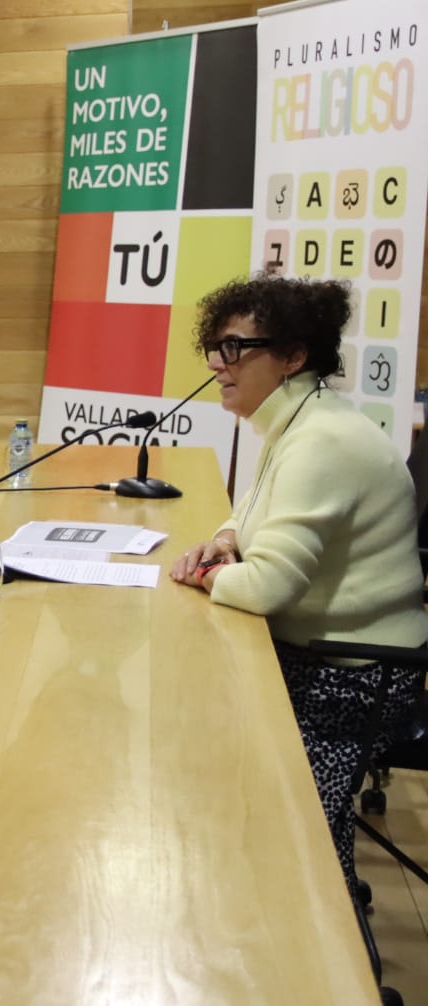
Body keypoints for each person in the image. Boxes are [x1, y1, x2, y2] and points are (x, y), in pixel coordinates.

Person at [170, 275, 428, 891]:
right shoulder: (299, 421)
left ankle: (321, 925)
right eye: (215, 347)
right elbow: (255, 509)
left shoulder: (322, 443)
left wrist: (205, 573)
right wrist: (227, 541)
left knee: (273, 813)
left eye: (235, 348)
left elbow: (267, 589)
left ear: (292, 356)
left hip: (357, 678)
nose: (217, 364)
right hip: (324, 654)